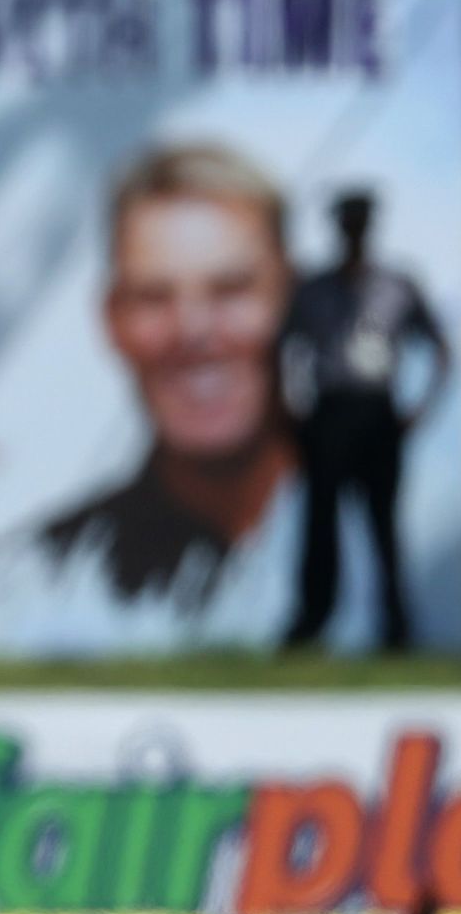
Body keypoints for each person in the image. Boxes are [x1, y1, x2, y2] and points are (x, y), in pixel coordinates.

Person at [26, 143, 297, 621]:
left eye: (231, 289)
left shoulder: (403, 526)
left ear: (294, 297)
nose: (193, 331)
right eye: (153, 297)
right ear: (112, 319)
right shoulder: (53, 574)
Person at [280, 188, 451, 650]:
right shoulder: (313, 289)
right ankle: (311, 621)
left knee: (383, 525)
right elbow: (282, 350)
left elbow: (441, 349)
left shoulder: (398, 285)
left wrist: (419, 410)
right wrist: (291, 410)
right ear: (338, 228)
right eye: (347, 223)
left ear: (370, 228)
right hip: (329, 411)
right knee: (320, 525)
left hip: (377, 413)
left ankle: (396, 628)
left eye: (360, 223)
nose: (353, 232)